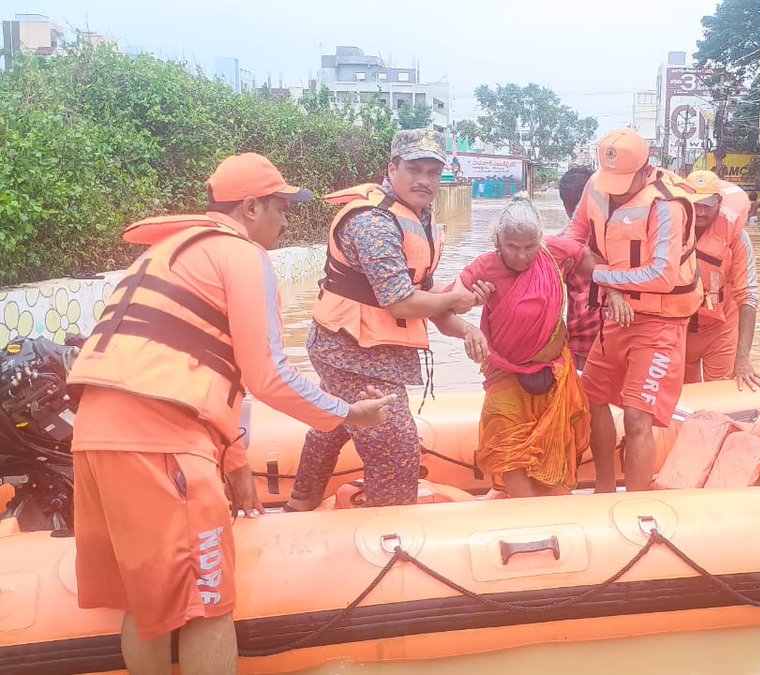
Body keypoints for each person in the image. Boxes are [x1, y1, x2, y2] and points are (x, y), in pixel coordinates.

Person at [66, 153, 397, 674]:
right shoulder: (242, 255)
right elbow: (267, 374)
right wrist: (349, 413)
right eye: (280, 207)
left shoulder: (168, 251)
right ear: (250, 208)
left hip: (94, 435)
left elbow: (212, 368)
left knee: (144, 606)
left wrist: (236, 461)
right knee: (208, 607)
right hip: (160, 442)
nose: (285, 220)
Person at [287, 129, 490, 511]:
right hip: (350, 352)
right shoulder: (373, 222)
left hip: (370, 349)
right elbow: (400, 302)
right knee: (396, 447)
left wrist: (465, 324)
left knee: (334, 424)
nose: (424, 180)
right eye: (414, 169)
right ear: (392, 168)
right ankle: (391, 532)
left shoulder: (419, 217)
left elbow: (425, 293)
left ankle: (300, 503)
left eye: (433, 172)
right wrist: (453, 299)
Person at [562, 128, 703, 492]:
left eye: (624, 183)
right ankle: (604, 488)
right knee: (593, 399)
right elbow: (574, 237)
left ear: (645, 169)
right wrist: (609, 288)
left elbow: (662, 275)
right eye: (612, 181)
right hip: (616, 314)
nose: (616, 190)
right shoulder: (596, 185)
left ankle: (636, 500)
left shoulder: (667, 205)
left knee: (637, 416)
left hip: (660, 320)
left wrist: (600, 276)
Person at [458, 196, 592, 497]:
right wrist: (468, 329)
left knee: (552, 452)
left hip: (553, 375)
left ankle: (558, 519)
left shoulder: (553, 254)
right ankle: (528, 514)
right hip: (506, 376)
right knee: (507, 452)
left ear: (540, 240)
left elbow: (590, 264)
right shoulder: (484, 268)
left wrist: (616, 294)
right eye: (512, 247)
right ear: (498, 241)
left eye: (529, 246)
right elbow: (445, 308)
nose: (521, 255)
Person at [683, 170, 760, 391]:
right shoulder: (669, 233)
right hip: (679, 330)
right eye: (695, 204)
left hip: (720, 331)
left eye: (707, 204)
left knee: (721, 393)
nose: (700, 211)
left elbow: (748, 296)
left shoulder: (737, 238)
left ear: (719, 202)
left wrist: (743, 357)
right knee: (679, 398)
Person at [558, 165, 600, 368]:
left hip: (580, 343)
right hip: (621, 339)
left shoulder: (557, 246)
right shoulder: (621, 237)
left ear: (565, 206)